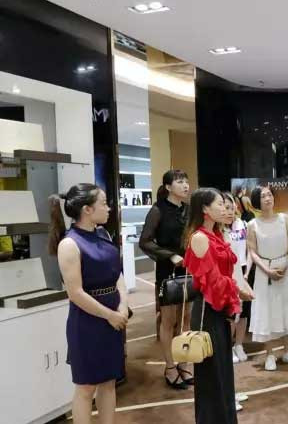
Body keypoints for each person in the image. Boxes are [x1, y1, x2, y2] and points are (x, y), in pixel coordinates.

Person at [48, 184, 128, 424]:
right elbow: (75, 293)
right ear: (87, 209)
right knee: (86, 387)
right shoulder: (69, 244)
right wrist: (110, 315)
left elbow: (118, 275)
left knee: (109, 382)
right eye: (103, 203)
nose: (109, 208)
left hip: (113, 317)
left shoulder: (103, 234)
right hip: (87, 322)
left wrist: (123, 305)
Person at [183, 188, 254, 424]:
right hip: (208, 311)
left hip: (220, 308)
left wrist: (236, 291)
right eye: (220, 204)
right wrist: (238, 290)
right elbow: (212, 281)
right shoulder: (200, 237)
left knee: (223, 372)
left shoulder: (217, 234)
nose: (225, 209)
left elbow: (225, 274)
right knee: (211, 375)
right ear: (205, 209)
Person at [139, 169, 193, 389]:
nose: (186, 185)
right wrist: (170, 255)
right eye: (180, 182)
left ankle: (184, 363)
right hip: (167, 271)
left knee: (186, 318)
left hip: (188, 268)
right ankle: (170, 367)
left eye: (186, 181)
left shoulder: (189, 209)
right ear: (168, 187)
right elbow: (145, 241)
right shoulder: (157, 210)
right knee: (168, 320)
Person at [247, 185, 288, 371]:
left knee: (287, 308)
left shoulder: (284, 219)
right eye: (263, 196)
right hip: (264, 272)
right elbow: (252, 252)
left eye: (269, 195)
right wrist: (267, 270)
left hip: (286, 268)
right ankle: (269, 354)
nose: (268, 198)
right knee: (267, 310)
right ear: (257, 201)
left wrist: (285, 265)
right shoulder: (252, 224)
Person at [221, 192, 254, 412]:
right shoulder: (213, 234)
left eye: (231, 206)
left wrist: (244, 276)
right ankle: (225, 396)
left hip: (240, 274)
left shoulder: (242, 225)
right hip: (227, 282)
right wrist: (235, 282)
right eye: (223, 206)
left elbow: (248, 251)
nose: (228, 210)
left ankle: (229, 392)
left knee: (242, 314)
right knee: (229, 321)